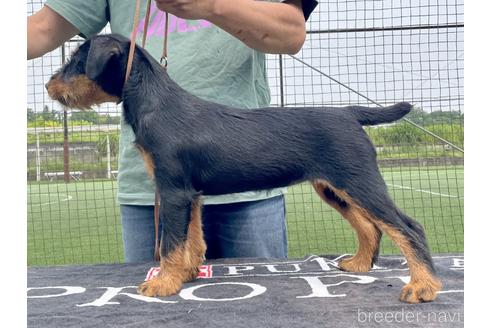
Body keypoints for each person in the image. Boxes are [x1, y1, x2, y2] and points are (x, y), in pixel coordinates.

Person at [27, 0, 318, 262]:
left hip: (251, 171)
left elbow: (292, 32)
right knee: (155, 312)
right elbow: (42, 27)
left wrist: (211, 4)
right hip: (151, 188)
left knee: (262, 313)